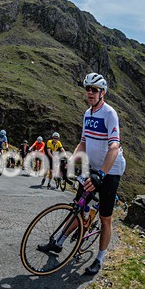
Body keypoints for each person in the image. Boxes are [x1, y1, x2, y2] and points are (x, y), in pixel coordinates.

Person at [37, 72, 126, 276]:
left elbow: (114, 147)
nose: (90, 93)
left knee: (105, 218)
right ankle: (59, 242)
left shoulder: (109, 114)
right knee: (79, 206)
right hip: (93, 167)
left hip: (110, 170)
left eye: (94, 90)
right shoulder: (88, 113)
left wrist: (101, 175)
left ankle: (99, 259)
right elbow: (83, 142)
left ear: (102, 92)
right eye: (88, 89)